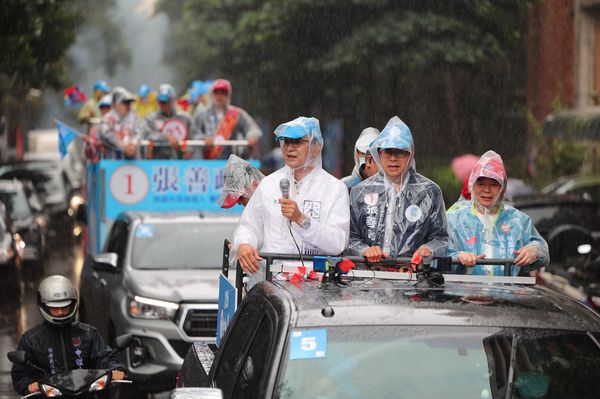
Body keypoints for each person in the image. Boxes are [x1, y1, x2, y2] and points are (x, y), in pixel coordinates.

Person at [234, 117, 349, 286]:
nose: (290, 148)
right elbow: (249, 225)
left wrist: (301, 220)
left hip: (315, 286)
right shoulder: (269, 184)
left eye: (297, 142)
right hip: (269, 282)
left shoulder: (335, 189)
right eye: (286, 142)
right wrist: (244, 243)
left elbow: (337, 243)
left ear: (316, 147)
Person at [348, 117, 448, 263]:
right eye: (388, 151)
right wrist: (364, 250)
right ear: (378, 154)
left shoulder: (429, 191)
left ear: (410, 154)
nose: (393, 158)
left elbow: (441, 238)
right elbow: (350, 236)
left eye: (400, 152)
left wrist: (428, 249)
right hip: (369, 276)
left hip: (414, 276)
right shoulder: (360, 191)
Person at [11, 275, 126, 396]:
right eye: (54, 308)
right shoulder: (30, 340)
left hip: (86, 394)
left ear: (73, 304)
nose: (60, 312)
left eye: (65, 307)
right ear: (44, 305)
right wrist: (29, 386)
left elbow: (105, 358)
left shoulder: (89, 333)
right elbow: (20, 374)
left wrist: (115, 370)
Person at [446, 150, 549, 275]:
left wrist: (535, 251)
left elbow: (543, 252)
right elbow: (440, 253)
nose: (487, 190)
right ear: (471, 184)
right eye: (481, 183)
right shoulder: (453, 219)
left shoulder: (518, 220)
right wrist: (459, 257)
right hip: (465, 293)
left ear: (503, 187)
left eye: (494, 184)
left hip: (507, 293)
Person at [190, 79, 262, 159]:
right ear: (211, 94)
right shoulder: (201, 114)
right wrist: (203, 138)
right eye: (216, 92)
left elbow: (253, 128)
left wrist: (251, 136)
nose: (219, 96)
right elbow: (193, 134)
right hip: (207, 163)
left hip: (231, 160)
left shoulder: (237, 114)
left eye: (223, 92)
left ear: (228, 95)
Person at [144, 84, 192, 159]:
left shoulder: (185, 118)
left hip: (180, 161)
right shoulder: (151, 118)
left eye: (167, 101)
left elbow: (193, 138)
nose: (164, 105)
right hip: (159, 160)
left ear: (173, 100)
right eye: (161, 102)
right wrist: (165, 137)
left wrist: (187, 150)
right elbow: (148, 135)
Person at [99, 87, 144, 159]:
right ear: (115, 104)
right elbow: (105, 134)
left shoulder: (135, 117)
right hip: (112, 162)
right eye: (125, 102)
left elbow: (140, 131)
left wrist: (133, 144)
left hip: (133, 163)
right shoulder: (107, 118)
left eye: (129, 102)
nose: (128, 105)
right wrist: (122, 146)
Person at [84, 94, 112, 163]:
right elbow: (89, 155)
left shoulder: (121, 126)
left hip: (119, 166)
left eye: (108, 107)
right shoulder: (95, 129)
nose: (105, 110)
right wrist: (89, 144)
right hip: (100, 167)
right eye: (103, 108)